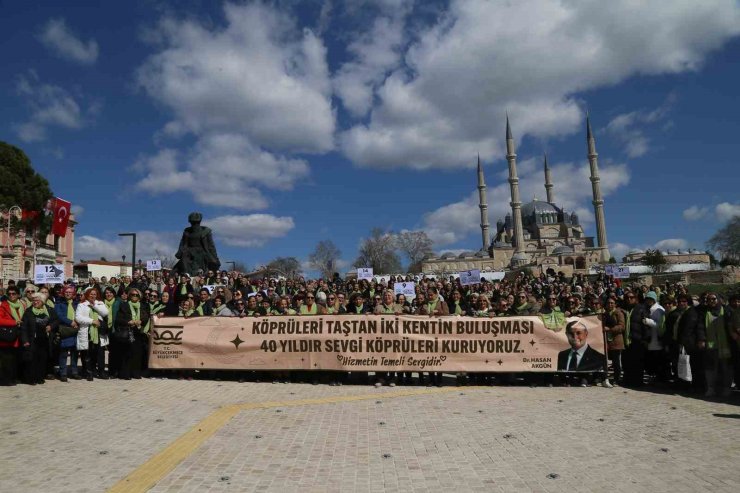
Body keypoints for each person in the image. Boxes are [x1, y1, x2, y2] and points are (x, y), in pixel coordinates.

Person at [20, 292, 59, 385]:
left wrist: (50, 326)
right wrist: (25, 340)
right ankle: (31, 379)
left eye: (37, 300)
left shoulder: (49, 310)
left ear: (42, 301)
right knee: (32, 360)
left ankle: (40, 377)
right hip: (32, 339)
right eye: (34, 300)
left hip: (45, 339)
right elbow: (24, 327)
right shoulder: (28, 312)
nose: (35, 302)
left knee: (42, 359)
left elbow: (56, 320)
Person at [75, 287, 110, 381]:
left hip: (99, 332)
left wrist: (94, 305)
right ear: (87, 294)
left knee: (100, 352)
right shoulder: (82, 305)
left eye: (94, 294)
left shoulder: (100, 303)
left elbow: (105, 313)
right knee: (87, 353)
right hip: (87, 331)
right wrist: (92, 321)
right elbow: (78, 318)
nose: (92, 295)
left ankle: (101, 371)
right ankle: (88, 372)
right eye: (91, 294)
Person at [116, 288, 150, 380]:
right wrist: (128, 321)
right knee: (127, 353)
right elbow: (118, 318)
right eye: (132, 295)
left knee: (137, 353)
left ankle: (136, 373)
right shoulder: (124, 305)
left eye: (136, 295)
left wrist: (141, 321)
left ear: (139, 297)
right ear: (129, 296)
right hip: (128, 331)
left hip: (139, 332)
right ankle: (126, 373)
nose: (134, 296)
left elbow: (146, 317)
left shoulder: (143, 306)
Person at [703, 292, 732, 398]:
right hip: (711, 345)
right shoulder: (704, 312)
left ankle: (726, 388)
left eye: (714, 299)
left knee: (726, 368)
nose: (712, 301)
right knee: (710, 368)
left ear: (718, 299)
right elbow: (700, 326)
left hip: (726, 345)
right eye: (709, 299)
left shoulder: (727, 310)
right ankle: (711, 388)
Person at [55, 285, 80, 381]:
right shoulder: (59, 303)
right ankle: (63, 373)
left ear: (73, 294)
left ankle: (74, 371)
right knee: (64, 353)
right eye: (66, 292)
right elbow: (59, 316)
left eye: (70, 292)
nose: (68, 293)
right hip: (65, 330)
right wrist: (70, 322)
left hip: (75, 330)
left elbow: (80, 313)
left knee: (74, 353)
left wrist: (77, 322)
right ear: (63, 293)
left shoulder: (76, 304)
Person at [643, 291, 667, 383]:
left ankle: (658, 378)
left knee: (657, 360)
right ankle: (654, 376)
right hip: (651, 339)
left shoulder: (658, 309)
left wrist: (648, 321)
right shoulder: (650, 308)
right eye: (647, 299)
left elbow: (660, 325)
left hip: (656, 339)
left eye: (650, 299)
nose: (648, 301)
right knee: (652, 360)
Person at [0, 287, 22, 386]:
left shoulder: (22, 305)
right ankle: (5, 380)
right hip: (7, 336)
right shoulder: (4, 305)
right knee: (6, 360)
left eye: (14, 293)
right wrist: (14, 322)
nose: (11, 295)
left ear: (18, 294)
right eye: (9, 294)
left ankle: (13, 378)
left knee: (14, 359)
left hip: (18, 336)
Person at [602, 297, 626, 384]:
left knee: (616, 362)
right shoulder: (604, 314)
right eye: (608, 303)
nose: (610, 304)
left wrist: (610, 329)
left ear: (615, 304)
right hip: (606, 341)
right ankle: (605, 378)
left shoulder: (619, 313)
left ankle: (617, 379)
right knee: (605, 361)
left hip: (616, 340)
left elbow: (622, 326)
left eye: (612, 303)